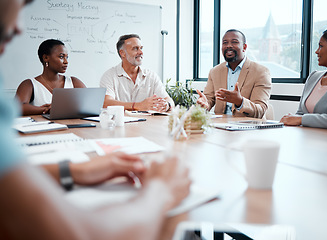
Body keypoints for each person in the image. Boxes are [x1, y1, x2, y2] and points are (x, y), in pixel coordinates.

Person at [0, 1, 191, 239]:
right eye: (18, 5)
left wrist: (73, 170)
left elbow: (93, 102)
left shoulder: (79, 80)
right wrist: (161, 190)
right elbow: (83, 233)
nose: (19, 27)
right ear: (45, 58)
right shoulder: (32, 83)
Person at [196, 29, 271, 118]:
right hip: (220, 126)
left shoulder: (261, 72)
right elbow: (208, 99)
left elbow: (260, 110)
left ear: (244, 47)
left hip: (248, 128)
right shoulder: (214, 71)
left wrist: (240, 101)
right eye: (225, 43)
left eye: (234, 42)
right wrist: (204, 104)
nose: (229, 46)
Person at [100, 34, 174, 112]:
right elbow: (106, 103)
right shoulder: (109, 76)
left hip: (148, 123)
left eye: (141, 48)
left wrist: (167, 105)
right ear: (122, 53)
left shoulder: (151, 75)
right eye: (135, 49)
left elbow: (169, 100)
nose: (141, 52)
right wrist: (138, 105)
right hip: (120, 123)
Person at [15, 39, 86, 116]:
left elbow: (90, 105)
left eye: (67, 57)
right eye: (61, 57)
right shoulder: (29, 84)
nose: (66, 61)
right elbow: (17, 108)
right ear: (45, 58)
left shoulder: (74, 82)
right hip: (43, 127)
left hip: (73, 127)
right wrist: (46, 110)